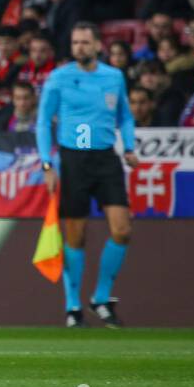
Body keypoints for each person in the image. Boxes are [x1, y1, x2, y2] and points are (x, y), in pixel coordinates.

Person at [37, 22, 139, 328]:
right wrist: (46, 164)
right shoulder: (59, 78)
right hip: (73, 159)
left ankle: (101, 296)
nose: (79, 47)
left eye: (85, 42)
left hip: (105, 158)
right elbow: (43, 122)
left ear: (97, 45)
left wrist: (130, 147)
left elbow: (125, 116)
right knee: (75, 236)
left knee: (122, 229)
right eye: (75, 42)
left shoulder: (114, 77)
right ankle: (72, 306)